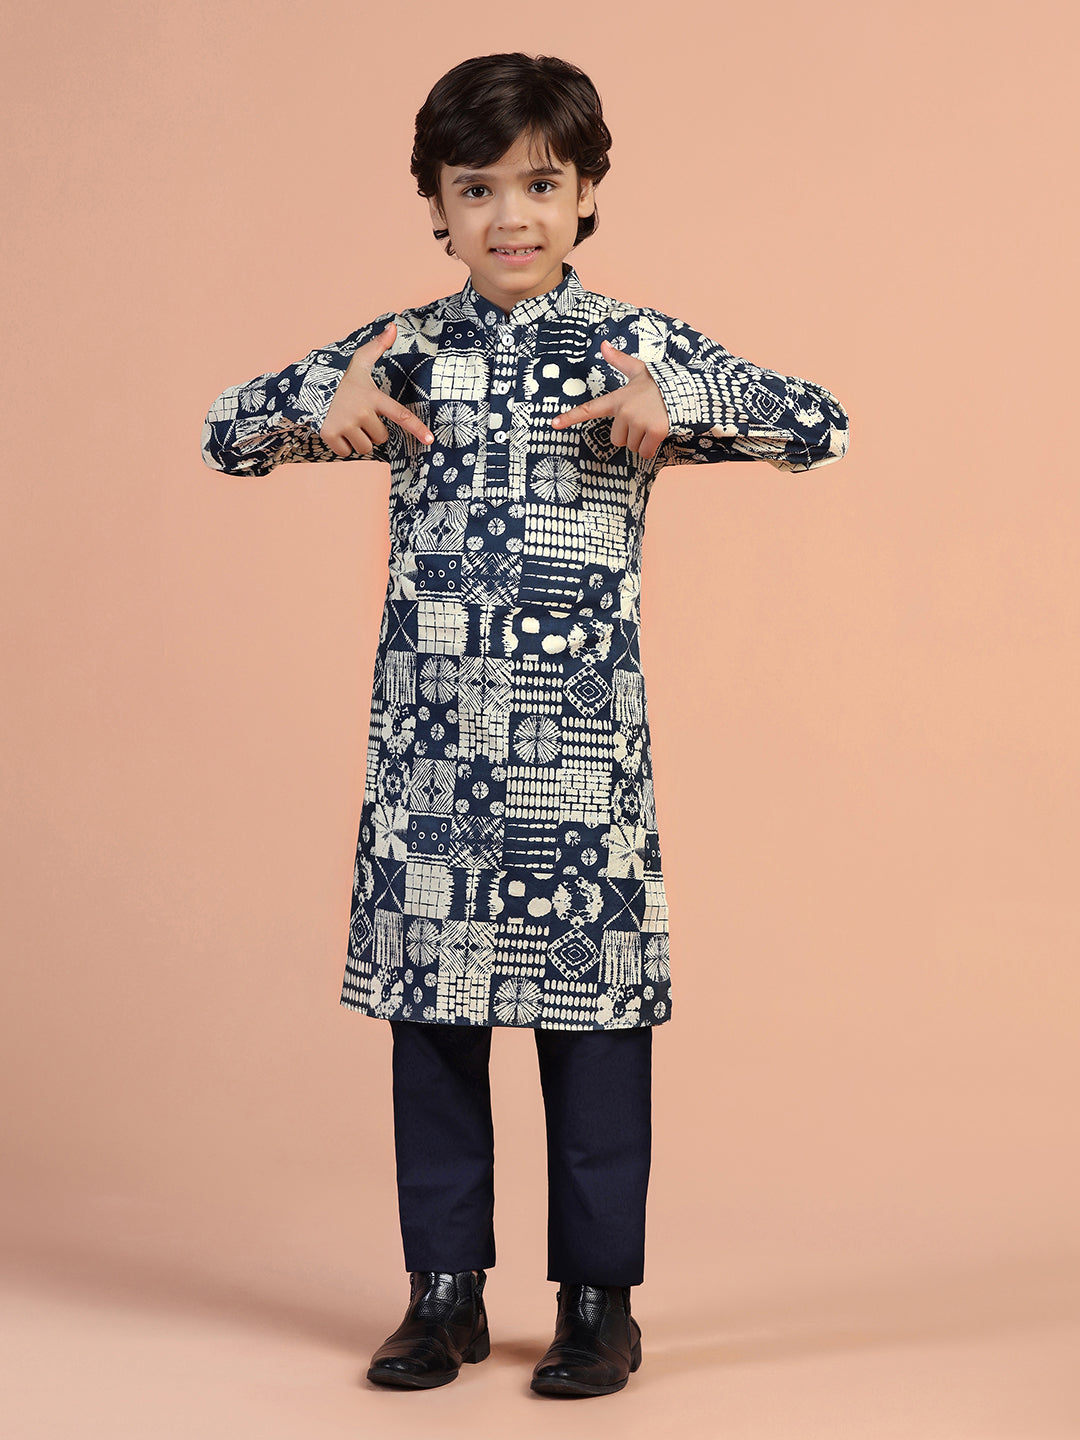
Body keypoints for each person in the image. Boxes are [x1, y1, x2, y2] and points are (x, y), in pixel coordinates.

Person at [201, 51, 849, 1399]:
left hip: (581, 756)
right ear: (437, 207)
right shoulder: (400, 347)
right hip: (431, 757)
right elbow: (223, 432)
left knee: (595, 1033)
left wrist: (687, 408)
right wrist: (313, 411)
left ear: (587, 193)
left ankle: (600, 1305)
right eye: (477, 187)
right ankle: (442, 1295)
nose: (512, 214)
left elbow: (823, 425)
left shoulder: (635, 346)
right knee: (432, 1028)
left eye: (542, 184)